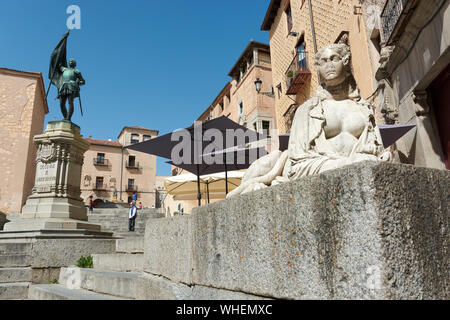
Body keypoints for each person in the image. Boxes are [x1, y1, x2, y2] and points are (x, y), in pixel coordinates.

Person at [227, 43, 391, 198]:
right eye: (324, 61)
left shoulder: (364, 109)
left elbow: (377, 150)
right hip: (312, 166)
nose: (329, 65)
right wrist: (348, 162)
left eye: (334, 59)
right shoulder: (307, 110)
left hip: (357, 168)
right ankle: (248, 184)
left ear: (345, 61)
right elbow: (298, 167)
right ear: (318, 68)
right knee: (272, 158)